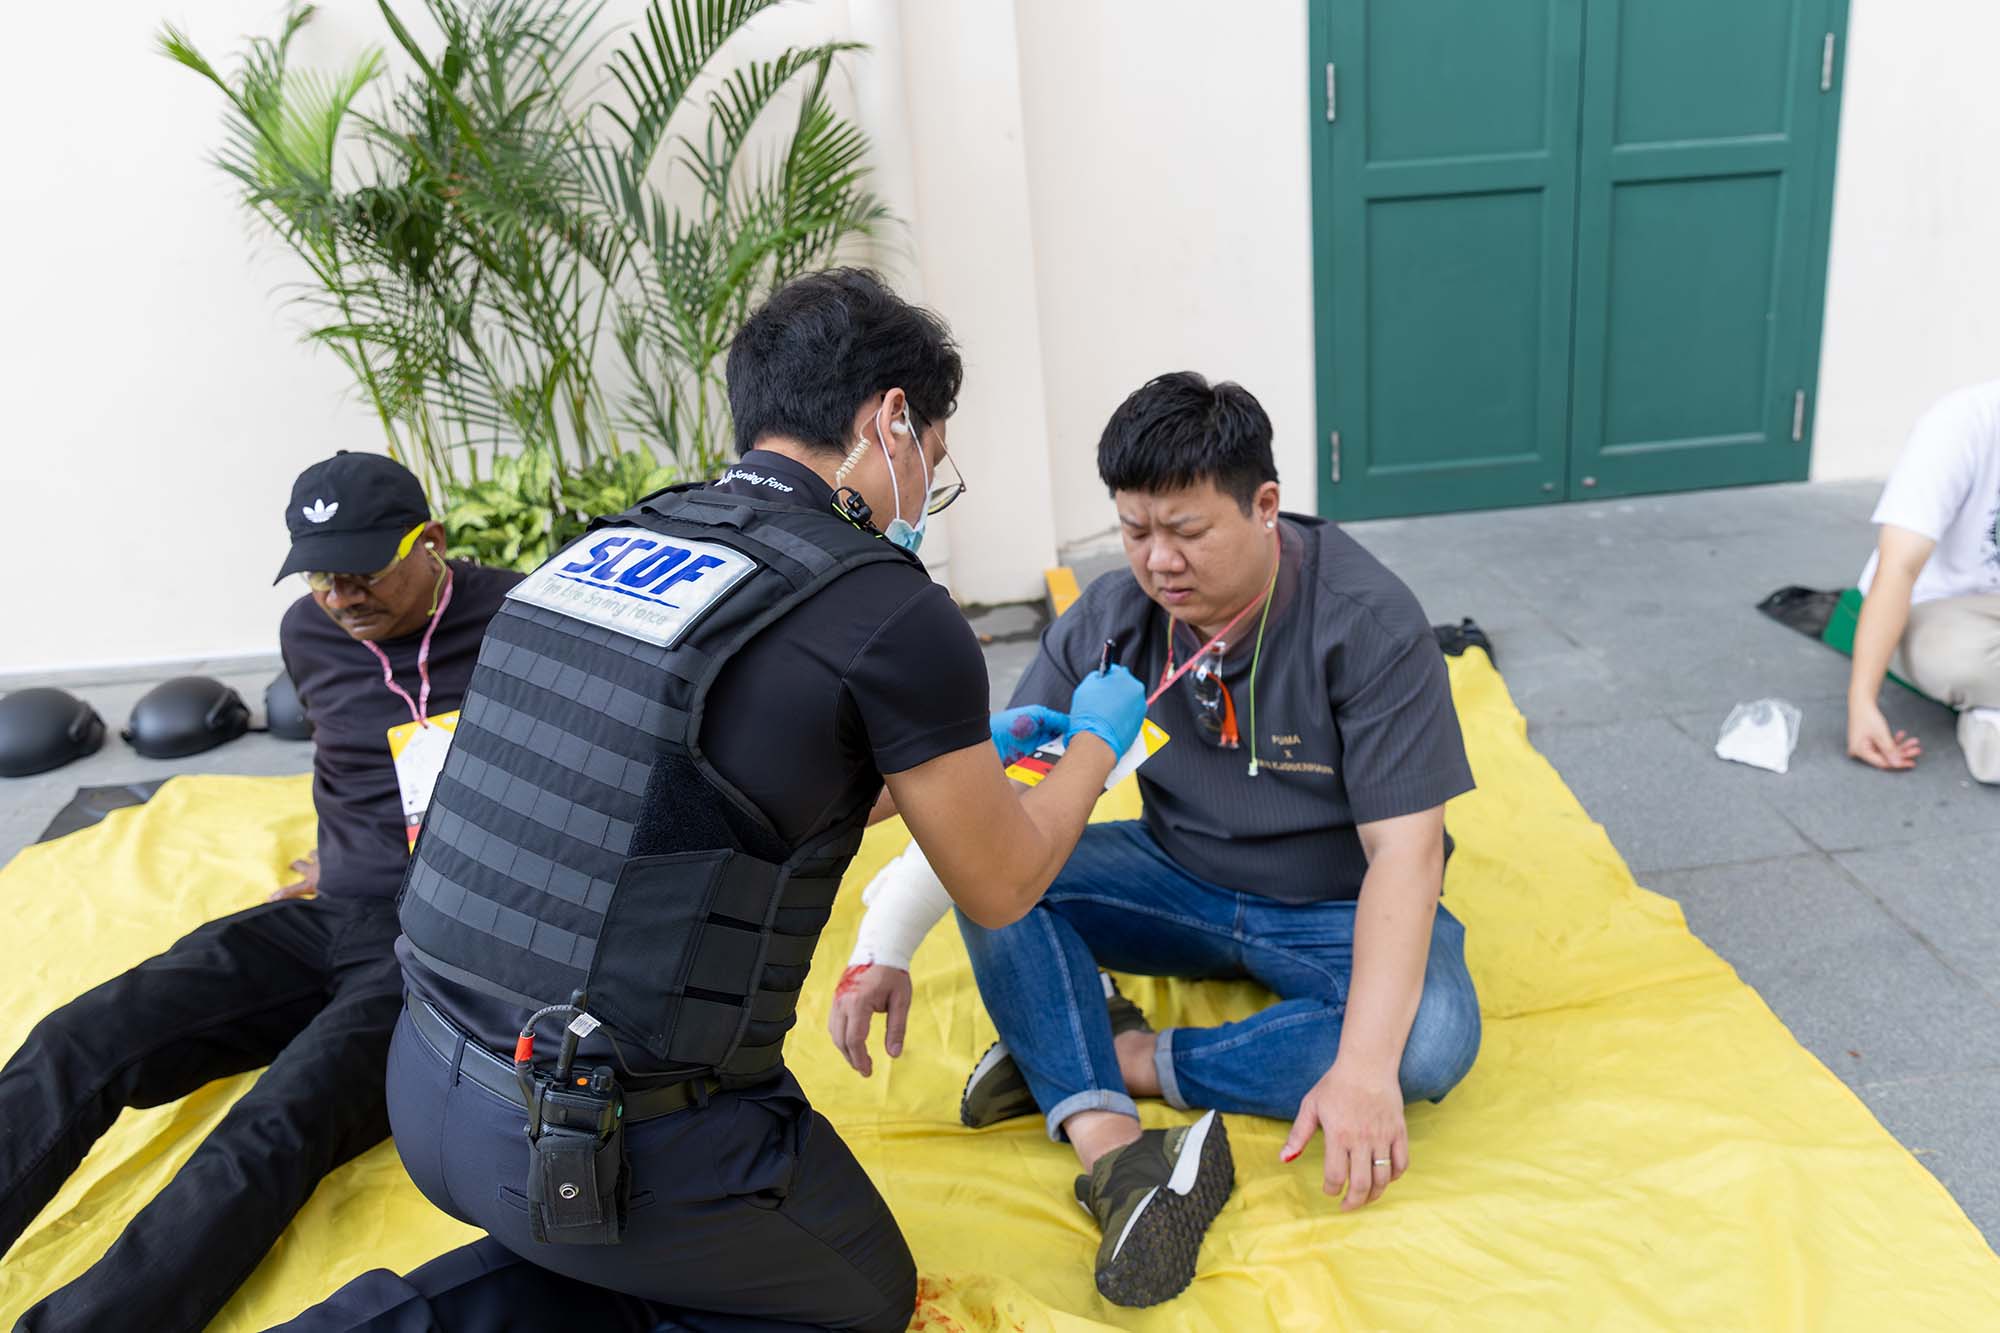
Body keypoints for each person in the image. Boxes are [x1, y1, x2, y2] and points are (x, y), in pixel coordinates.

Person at [278, 268, 1154, 1333]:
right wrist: (1092, 745)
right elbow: (1005, 881)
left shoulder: (598, 549)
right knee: (854, 1296)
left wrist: (945, 764)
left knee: (634, 1260)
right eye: (936, 452)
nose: (934, 484)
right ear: (889, 422)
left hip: (422, 1080)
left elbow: (690, 811)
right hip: (601, 1140)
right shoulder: (887, 607)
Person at [830, 372, 1484, 1307]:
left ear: (1265, 506)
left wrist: (1365, 1071)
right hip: (1174, 874)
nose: (1157, 561)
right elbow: (988, 819)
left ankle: (1118, 1053)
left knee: (1425, 1044)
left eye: (1185, 531)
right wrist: (880, 948)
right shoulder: (1110, 621)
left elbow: (1407, 856)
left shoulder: (1366, 623)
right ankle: (1108, 1130)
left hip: (1334, 904)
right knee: (1002, 882)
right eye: (1135, 531)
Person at [0, 452, 519, 1333]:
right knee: (80, 1038)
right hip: (329, 917)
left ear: (431, 542)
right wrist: (343, 848)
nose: (339, 596)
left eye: (362, 569)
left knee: (275, 1121)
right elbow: (351, 754)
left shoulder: (523, 615)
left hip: (447, 944)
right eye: (320, 573)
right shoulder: (308, 632)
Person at [1845, 381, 2000, 783]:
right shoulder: (1962, 423)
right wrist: (1862, 703)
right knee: (1950, 657)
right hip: (1943, 611)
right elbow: (1898, 569)